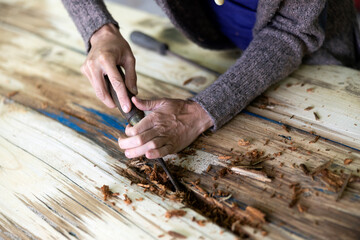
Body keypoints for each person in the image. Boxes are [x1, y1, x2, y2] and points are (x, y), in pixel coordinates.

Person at [62, 0, 360, 160]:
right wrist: (99, 31)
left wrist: (199, 111)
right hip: (227, 42)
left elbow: (291, 30)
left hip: (319, 63)